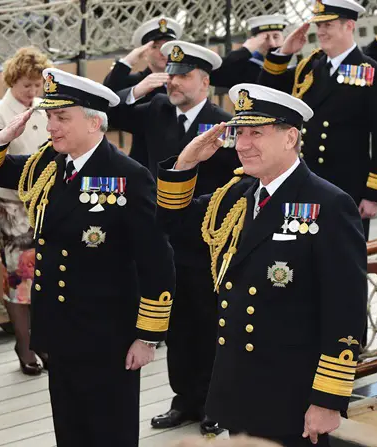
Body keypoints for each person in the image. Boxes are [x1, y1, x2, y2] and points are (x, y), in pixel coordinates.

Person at [0, 68, 175, 447]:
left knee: (109, 430)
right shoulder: (50, 163)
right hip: (60, 328)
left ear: (95, 122)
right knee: (70, 428)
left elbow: (157, 262)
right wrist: (2, 138)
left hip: (109, 333)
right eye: (50, 117)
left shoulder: (128, 176)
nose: (51, 126)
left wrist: (147, 337)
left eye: (62, 118)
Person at [156, 83, 367, 447]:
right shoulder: (238, 195)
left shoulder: (328, 205)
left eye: (257, 132)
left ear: (290, 138)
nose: (241, 144)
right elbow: (172, 222)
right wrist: (186, 163)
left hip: (292, 395)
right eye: (239, 132)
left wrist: (327, 400)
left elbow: (345, 312)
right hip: (237, 388)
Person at [108, 40, 239, 432]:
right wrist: (136, 86)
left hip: (207, 241)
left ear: (204, 80)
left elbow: (237, 181)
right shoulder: (157, 111)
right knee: (178, 325)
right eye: (171, 74)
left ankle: (216, 404)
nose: (174, 82)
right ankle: (185, 400)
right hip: (164, 239)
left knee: (211, 324)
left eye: (183, 76)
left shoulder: (223, 125)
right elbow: (101, 110)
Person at [258, 0, 377, 240]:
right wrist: (285, 52)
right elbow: (267, 92)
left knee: (342, 259)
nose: (322, 31)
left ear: (349, 26)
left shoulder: (371, 72)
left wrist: (374, 194)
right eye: (319, 25)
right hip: (303, 180)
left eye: (329, 24)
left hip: (346, 186)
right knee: (299, 256)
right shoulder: (310, 67)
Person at [0, 46, 52, 376]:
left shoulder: (46, 108)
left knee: (47, 277)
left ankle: (44, 341)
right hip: (13, 206)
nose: (33, 92)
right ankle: (25, 345)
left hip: (48, 205)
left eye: (38, 85)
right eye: (27, 85)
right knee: (20, 278)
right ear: (13, 80)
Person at [103, 16, 183, 167]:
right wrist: (127, 62)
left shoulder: (187, 82)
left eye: (167, 47)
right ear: (144, 53)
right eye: (155, 47)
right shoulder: (136, 82)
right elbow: (108, 99)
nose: (162, 53)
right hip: (146, 164)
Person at [209, 14, 287, 88]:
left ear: (284, 38)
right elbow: (212, 75)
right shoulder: (246, 68)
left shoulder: (294, 64)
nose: (272, 44)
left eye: (276, 37)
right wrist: (245, 51)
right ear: (254, 41)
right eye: (265, 38)